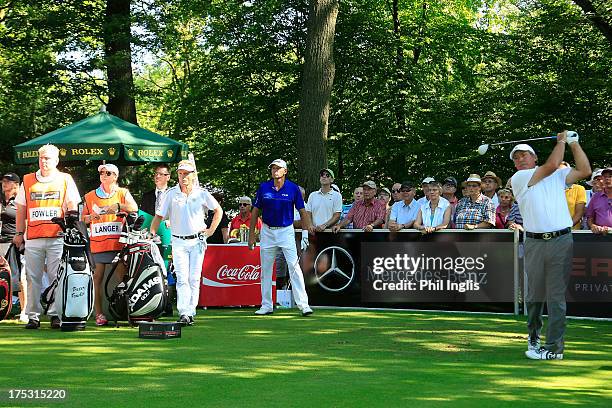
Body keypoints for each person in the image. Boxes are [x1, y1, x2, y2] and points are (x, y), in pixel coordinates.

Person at [509, 132, 590, 360]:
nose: (520, 159)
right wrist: (562, 141)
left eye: (524, 155)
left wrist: (574, 142)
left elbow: (585, 171)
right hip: (534, 241)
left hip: (561, 240)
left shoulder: (558, 175)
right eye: (516, 157)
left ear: (534, 157)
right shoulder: (520, 178)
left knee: (556, 296)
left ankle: (555, 348)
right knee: (535, 295)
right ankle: (534, 336)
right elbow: (553, 163)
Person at [13, 144, 81, 329]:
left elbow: (72, 204)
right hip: (33, 237)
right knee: (32, 277)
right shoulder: (27, 180)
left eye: (48, 158)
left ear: (57, 161)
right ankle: (33, 315)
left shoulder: (65, 179)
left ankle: (55, 314)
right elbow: (21, 209)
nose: (44, 161)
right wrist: (19, 233)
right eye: (41, 158)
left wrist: (72, 226)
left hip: (56, 236)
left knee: (55, 277)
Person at [150, 160, 222, 326]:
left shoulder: (201, 193)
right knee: (182, 278)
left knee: (194, 278)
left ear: (193, 175)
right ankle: (184, 313)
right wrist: (152, 232)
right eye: (181, 173)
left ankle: (190, 311)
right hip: (178, 241)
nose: (183, 177)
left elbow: (218, 210)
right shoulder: (171, 193)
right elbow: (159, 216)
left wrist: (210, 231)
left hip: (197, 240)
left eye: (186, 173)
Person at [247, 159, 313, 317]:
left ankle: (303, 305)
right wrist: (251, 235)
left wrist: (305, 233)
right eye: (273, 168)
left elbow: (302, 211)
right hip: (268, 231)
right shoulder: (264, 187)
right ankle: (266, 305)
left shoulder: (293, 188)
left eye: (278, 168)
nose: (275, 170)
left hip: (286, 231)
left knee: (294, 267)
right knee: (266, 269)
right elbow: (255, 211)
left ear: (285, 171)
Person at [82, 163, 138, 326]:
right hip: (98, 244)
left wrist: (118, 206)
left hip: (117, 244)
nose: (104, 175)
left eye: (108, 173)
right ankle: (99, 314)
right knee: (97, 278)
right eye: (101, 173)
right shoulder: (90, 195)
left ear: (115, 176)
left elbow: (134, 208)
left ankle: (128, 310)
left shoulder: (122, 193)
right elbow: (83, 219)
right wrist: (91, 217)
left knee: (122, 278)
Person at [1, 172, 27, 322]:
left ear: (16, 185)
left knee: (19, 277)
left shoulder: (20, 200)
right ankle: (3, 308)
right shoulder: (0, 200)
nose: (4, 183)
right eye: (3, 181)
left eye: (8, 181)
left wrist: (22, 236)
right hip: (1, 241)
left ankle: (24, 310)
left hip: (15, 242)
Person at [306, 168, 342, 234]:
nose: (324, 176)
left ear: (332, 180)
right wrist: (310, 225)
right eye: (322, 175)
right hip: (314, 232)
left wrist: (324, 226)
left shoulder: (337, 195)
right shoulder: (312, 195)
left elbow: (337, 215)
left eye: (327, 175)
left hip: (330, 232)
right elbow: (308, 213)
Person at [557, 162, 586, 230]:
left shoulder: (579, 189)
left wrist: (566, 228)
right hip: (552, 232)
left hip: (571, 231)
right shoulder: (550, 190)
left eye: (564, 172)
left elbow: (579, 213)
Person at [586, 167, 612, 234]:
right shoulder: (596, 197)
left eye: (610, 176)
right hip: (600, 238)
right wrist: (592, 226)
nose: (607, 179)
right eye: (604, 176)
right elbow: (589, 217)